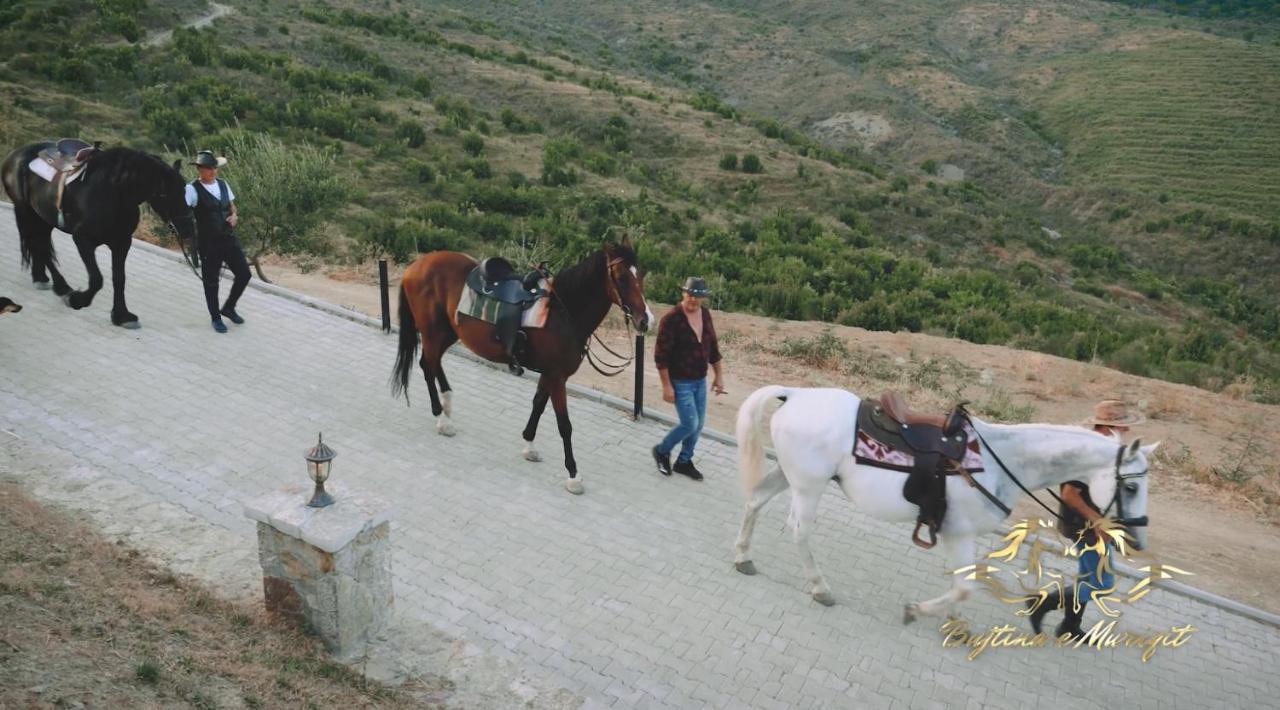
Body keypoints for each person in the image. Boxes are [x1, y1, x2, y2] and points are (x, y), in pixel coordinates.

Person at [1029, 399, 1145, 639]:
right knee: (1101, 584)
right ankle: (1042, 604)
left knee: (1088, 577)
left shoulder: (1101, 449)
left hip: (1091, 526)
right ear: (1107, 427)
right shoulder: (1089, 453)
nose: (1127, 431)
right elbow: (1070, 494)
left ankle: (1069, 626)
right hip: (1086, 527)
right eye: (1122, 426)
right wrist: (1099, 521)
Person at [651, 277, 725, 481]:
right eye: (690, 295)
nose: (693, 300)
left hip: (700, 380)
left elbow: (713, 348)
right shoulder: (671, 319)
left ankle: (684, 461)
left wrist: (718, 375)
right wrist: (666, 386)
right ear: (683, 293)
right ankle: (662, 450)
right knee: (690, 424)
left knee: (699, 424)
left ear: (703, 298)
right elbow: (661, 357)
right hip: (680, 381)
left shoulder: (705, 314)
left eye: (698, 296)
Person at [186, 150, 250, 333]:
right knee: (211, 282)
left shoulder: (223, 184)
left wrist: (235, 216)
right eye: (208, 168)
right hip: (208, 243)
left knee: (244, 274)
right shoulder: (191, 189)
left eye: (214, 168)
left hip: (228, 238)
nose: (212, 171)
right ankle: (215, 317)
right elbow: (183, 212)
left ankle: (229, 307)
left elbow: (232, 206)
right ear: (199, 169)